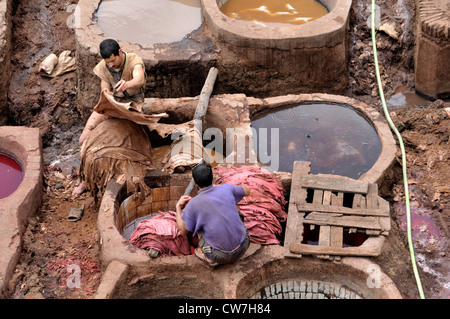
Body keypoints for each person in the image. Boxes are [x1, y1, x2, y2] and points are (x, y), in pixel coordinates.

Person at [72, 39, 146, 198]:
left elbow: (140, 79)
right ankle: (84, 180)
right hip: (113, 104)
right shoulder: (103, 67)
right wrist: (107, 94)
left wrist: (127, 85)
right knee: (82, 139)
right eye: (108, 62)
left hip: (133, 105)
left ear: (120, 52)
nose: (111, 65)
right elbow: (104, 86)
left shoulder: (134, 60)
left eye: (114, 60)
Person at [176, 163, 251, 267]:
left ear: (194, 181)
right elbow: (247, 191)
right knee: (234, 201)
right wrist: (221, 188)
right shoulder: (226, 189)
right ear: (212, 178)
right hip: (244, 245)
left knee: (196, 224)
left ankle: (206, 256)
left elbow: (183, 231)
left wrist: (178, 207)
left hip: (220, 256)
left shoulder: (193, 203)